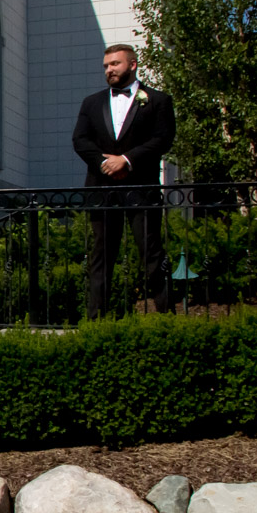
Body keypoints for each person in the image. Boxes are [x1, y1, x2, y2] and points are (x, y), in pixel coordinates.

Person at [71, 43, 177, 319]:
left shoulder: (158, 100)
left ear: (132, 64)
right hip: (102, 189)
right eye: (106, 66)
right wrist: (105, 164)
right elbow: (80, 140)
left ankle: (167, 317)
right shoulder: (91, 103)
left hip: (141, 189)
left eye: (115, 64)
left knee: (152, 254)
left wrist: (127, 160)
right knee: (101, 258)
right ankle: (97, 321)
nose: (109, 70)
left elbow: (162, 139)